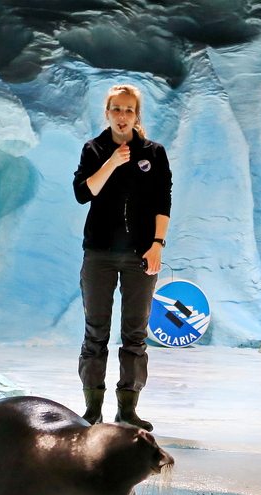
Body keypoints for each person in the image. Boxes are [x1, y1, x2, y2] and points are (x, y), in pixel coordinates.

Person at [73, 84, 172, 431]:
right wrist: (113, 161)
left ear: (136, 115)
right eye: (116, 109)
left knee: (135, 335)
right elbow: (84, 193)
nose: (122, 116)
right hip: (99, 254)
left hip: (140, 255)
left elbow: (163, 200)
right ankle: (93, 407)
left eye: (128, 110)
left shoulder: (154, 153)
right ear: (107, 113)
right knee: (95, 333)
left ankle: (127, 409)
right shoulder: (94, 149)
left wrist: (158, 243)